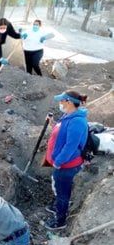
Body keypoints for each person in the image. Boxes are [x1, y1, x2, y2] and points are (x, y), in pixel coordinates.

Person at [43, 90, 88, 230]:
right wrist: (53, 124)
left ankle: (60, 221)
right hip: (61, 162)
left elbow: (71, 146)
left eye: (62, 101)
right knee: (57, 185)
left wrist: (58, 162)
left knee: (62, 192)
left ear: (68, 102)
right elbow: (63, 132)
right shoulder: (68, 116)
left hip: (66, 165)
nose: (60, 103)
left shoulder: (78, 121)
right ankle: (58, 205)